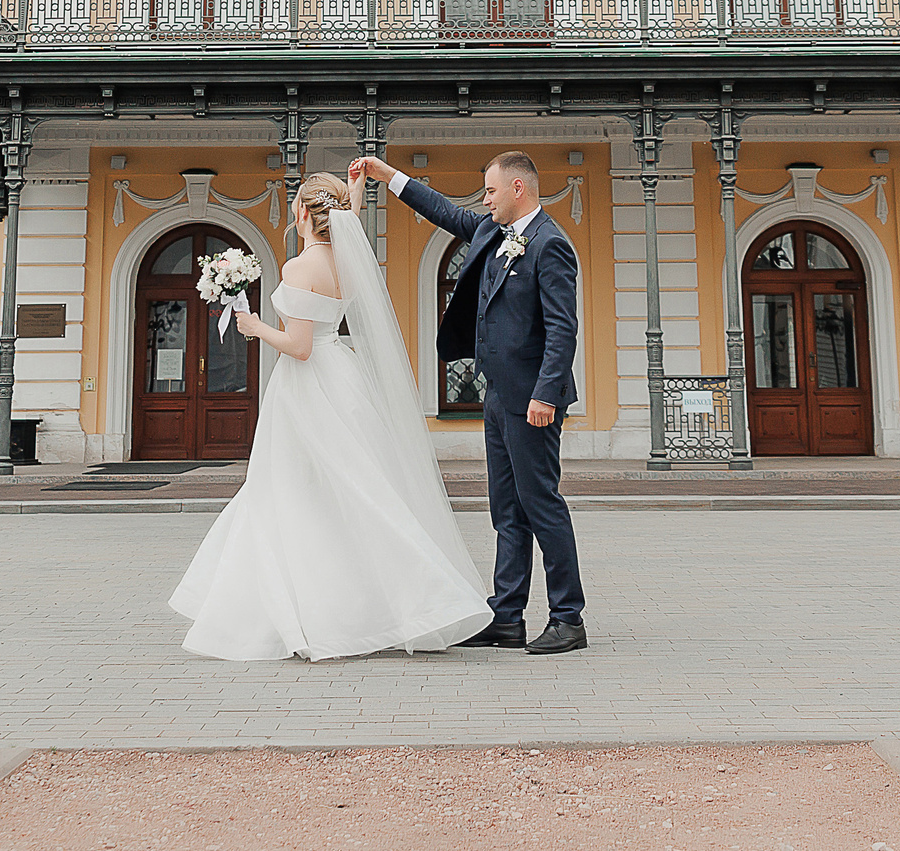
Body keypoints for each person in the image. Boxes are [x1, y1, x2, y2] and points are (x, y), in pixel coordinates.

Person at [169, 175, 492, 661]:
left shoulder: (300, 267)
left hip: (307, 387)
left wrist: (255, 327)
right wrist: (354, 190)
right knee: (355, 487)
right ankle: (398, 601)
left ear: (303, 212)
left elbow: (299, 347)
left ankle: (313, 612)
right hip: (342, 376)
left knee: (293, 492)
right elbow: (347, 227)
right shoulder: (346, 258)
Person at [347, 150, 587, 655]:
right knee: (506, 510)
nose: (485, 199)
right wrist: (388, 176)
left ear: (518, 189)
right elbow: (443, 210)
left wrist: (546, 394)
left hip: (533, 400)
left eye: (492, 191)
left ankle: (568, 618)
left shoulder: (550, 245)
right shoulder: (491, 233)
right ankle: (507, 617)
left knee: (541, 504)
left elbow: (563, 328)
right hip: (497, 394)